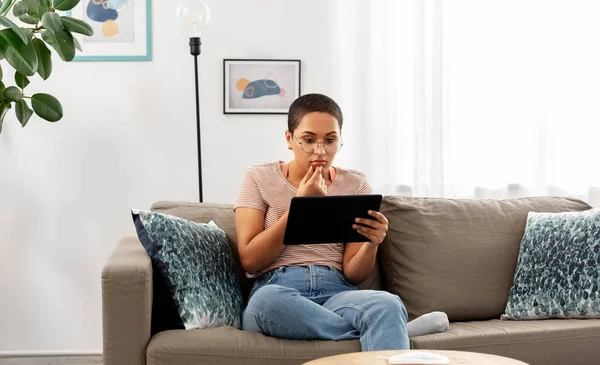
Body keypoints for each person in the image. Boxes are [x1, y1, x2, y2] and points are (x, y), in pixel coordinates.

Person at [233, 93, 447, 351]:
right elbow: (250, 259)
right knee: (265, 302)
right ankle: (389, 329)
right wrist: (301, 206)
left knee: (387, 304)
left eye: (330, 140)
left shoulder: (355, 184)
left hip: (336, 291)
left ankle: (386, 324)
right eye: (309, 140)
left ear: (340, 139)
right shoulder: (258, 177)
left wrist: (371, 243)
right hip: (279, 290)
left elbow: (353, 272)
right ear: (290, 139)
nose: (320, 151)